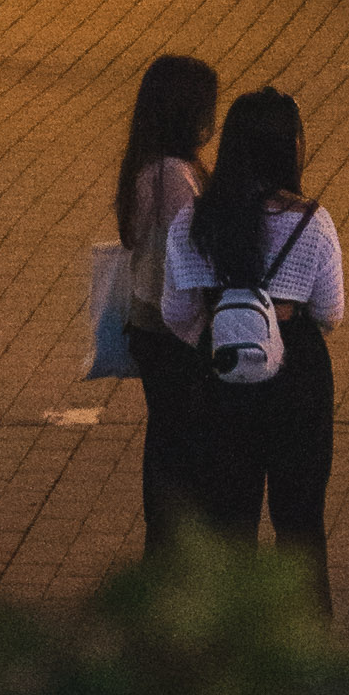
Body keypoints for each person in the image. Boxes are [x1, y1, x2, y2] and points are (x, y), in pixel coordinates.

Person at [163, 84, 345, 610]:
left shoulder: (193, 221)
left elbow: (177, 312)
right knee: (300, 519)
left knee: (227, 518)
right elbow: (330, 312)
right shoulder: (312, 222)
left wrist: (219, 334)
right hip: (297, 377)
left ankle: (229, 647)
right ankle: (307, 647)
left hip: (218, 372)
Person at [110, 51, 218, 557]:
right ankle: (174, 547)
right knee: (185, 442)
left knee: (165, 435)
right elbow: (190, 253)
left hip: (145, 322)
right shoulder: (176, 175)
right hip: (177, 328)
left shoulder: (143, 167)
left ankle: (163, 543)